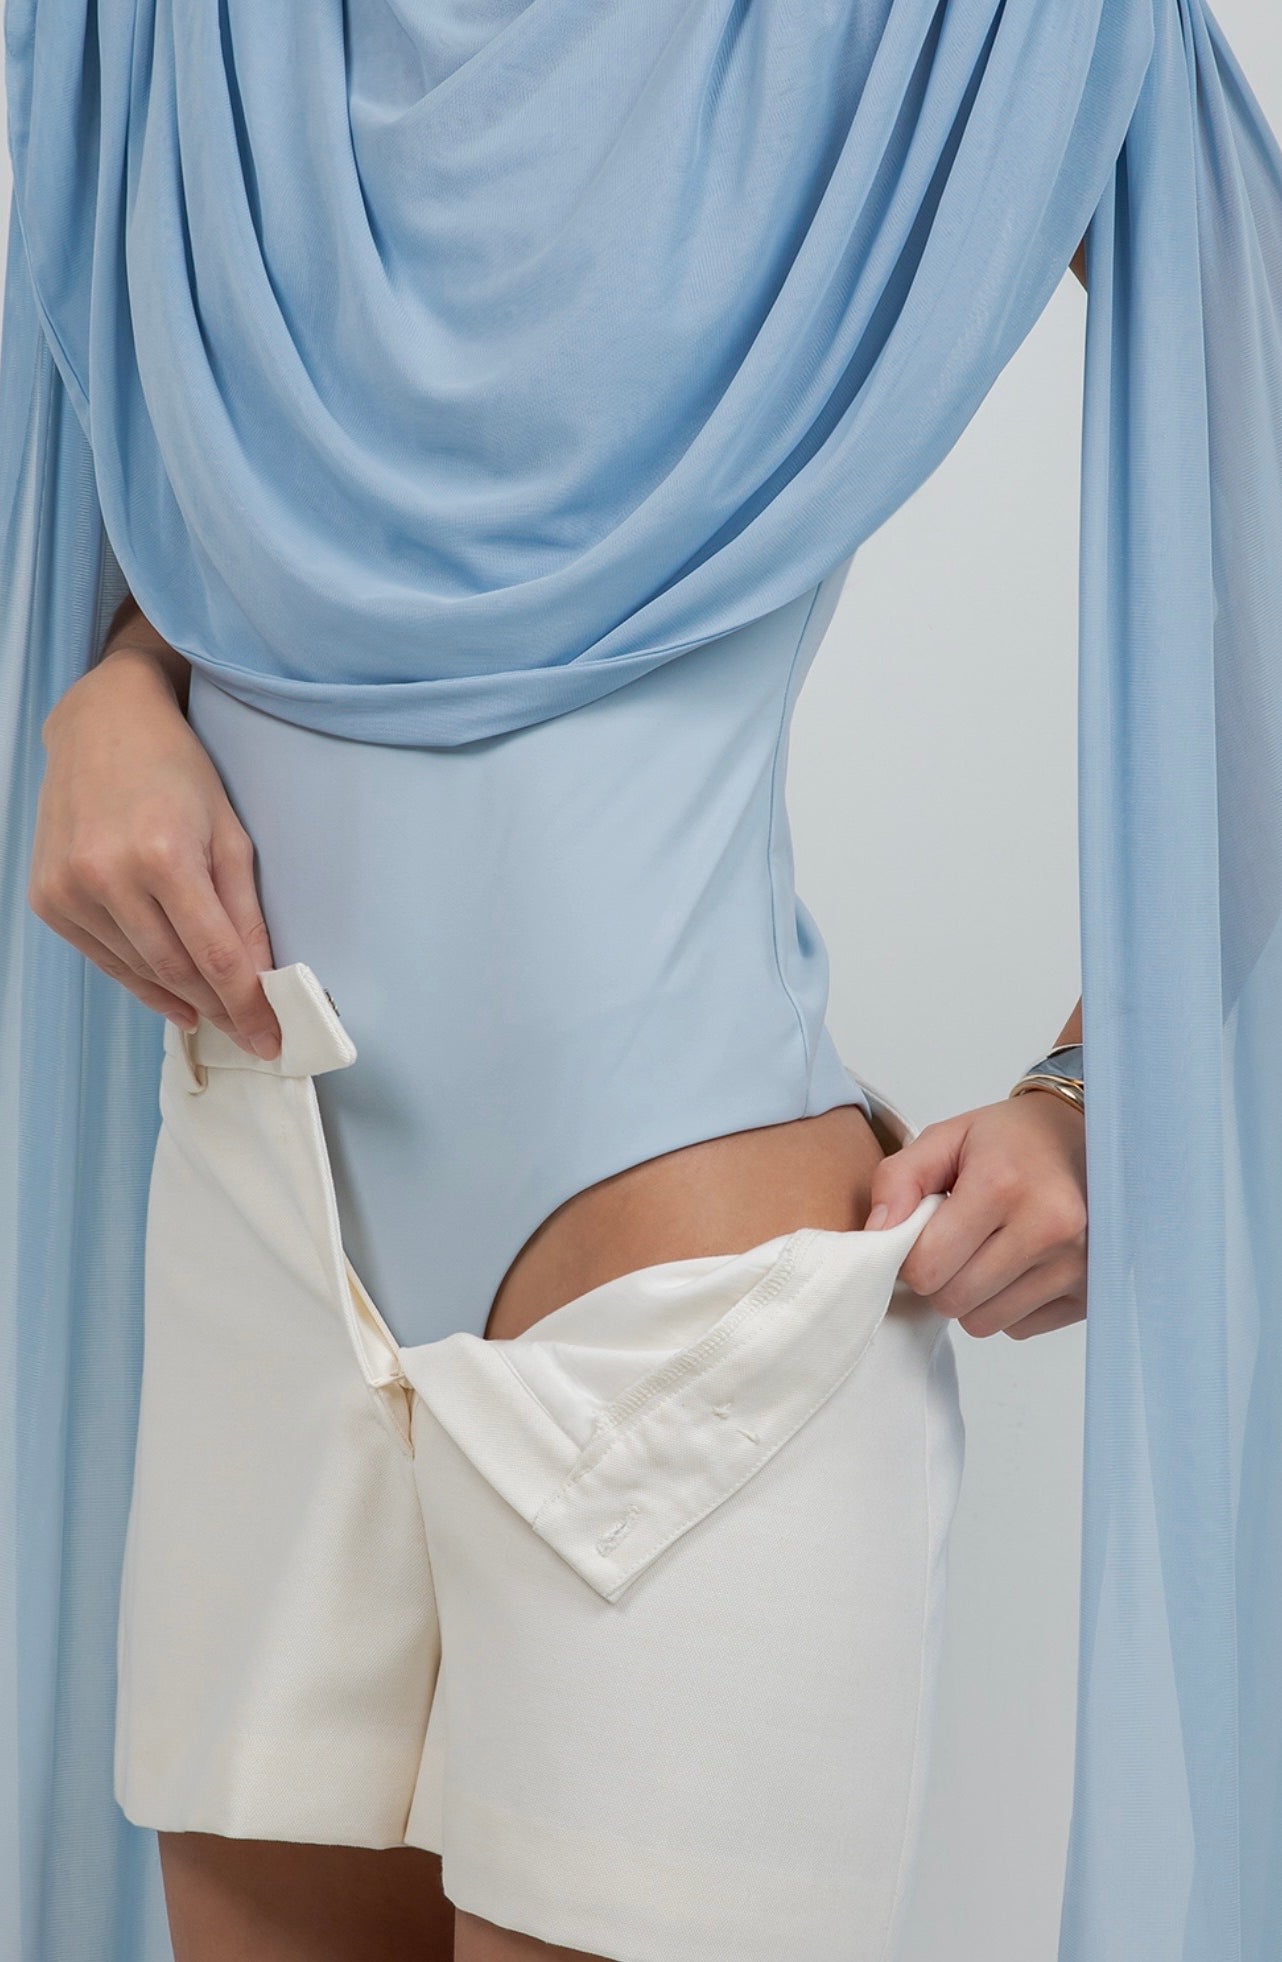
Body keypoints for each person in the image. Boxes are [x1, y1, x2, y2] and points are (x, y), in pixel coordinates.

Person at [6, 6, 1282, 1962]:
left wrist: (1097, 1093)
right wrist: (122, 674)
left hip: (682, 1327)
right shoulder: (176, 31)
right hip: (260, 1240)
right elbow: (252, 502)